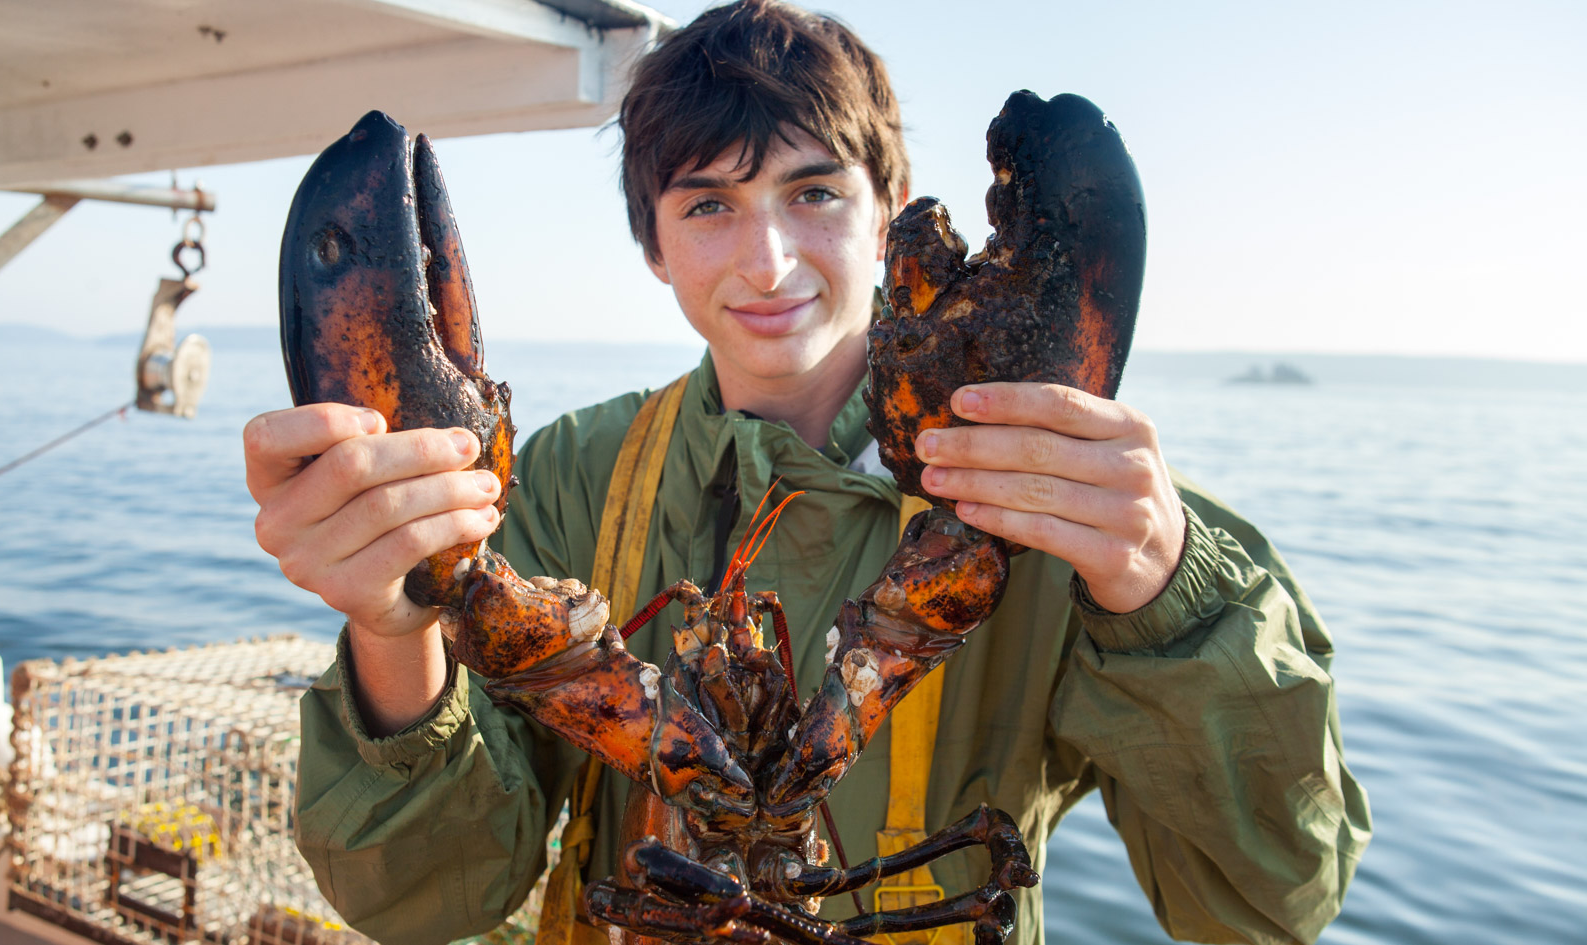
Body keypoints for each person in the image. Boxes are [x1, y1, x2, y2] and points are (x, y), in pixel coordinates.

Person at [243, 2, 1371, 943]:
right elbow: (428, 900)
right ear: (654, 244)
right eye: (708, 206)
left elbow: (1268, 902)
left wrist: (1165, 588)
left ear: (886, 211)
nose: (768, 260)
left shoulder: (1071, 505)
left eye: (815, 193)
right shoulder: (566, 480)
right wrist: (396, 626)